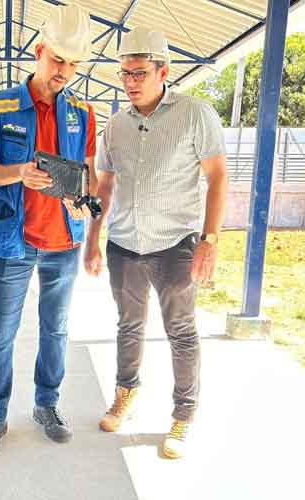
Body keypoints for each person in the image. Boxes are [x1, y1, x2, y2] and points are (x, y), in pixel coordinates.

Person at [84, 26, 228, 460]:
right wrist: (93, 239)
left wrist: (209, 240)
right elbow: (105, 186)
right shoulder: (115, 126)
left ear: (163, 72)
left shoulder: (195, 114)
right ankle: (124, 396)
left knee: (181, 331)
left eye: (140, 73)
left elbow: (218, 177)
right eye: (125, 73)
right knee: (128, 327)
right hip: (125, 244)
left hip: (175, 245)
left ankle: (183, 415)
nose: (130, 82)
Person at [0, 3, 98, 459]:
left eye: (73, 64)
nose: (64, 71)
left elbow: (89, 174)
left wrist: (80, 195)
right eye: (58, 59)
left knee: (55, 329)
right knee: (1, 331)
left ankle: (47, 405)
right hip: (14, 240)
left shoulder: (83, 112)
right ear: (39, 51)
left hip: (64, 240)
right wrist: (19, 172)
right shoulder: (0, 106)